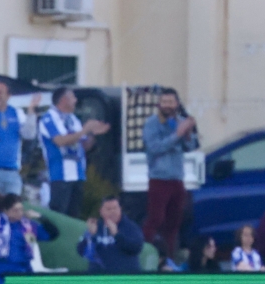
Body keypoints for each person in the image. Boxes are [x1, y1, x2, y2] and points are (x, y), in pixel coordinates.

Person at [141, 88, 199, 260]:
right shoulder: (152, 123)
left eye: (170, 102)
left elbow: (191, 147)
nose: (167, 106)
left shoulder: (179, 121)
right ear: (159, 104)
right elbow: (154, 148)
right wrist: (177, 134)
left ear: (177, 104)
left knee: (174, 222)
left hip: (177, 178)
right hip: (159, 178)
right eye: (164, 102)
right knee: (155, 219)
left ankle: (169, 258)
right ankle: (146, 255)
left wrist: (188, 133)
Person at [37, 87, 110, 217]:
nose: (76, 101)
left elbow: (83, 145)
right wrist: (84, 130)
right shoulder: (49, 118)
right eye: (73, 97)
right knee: (59, 216)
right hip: (59, 174)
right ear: (64, 100)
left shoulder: (73, 119)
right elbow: (60, 141)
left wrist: (92, 133)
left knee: (74, 216)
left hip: (77, 174)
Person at [0, 190, 60, 284]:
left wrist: (41, 217)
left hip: (23, 271)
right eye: (15, 210)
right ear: (6, 211)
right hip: (0, 271)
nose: (20, 213)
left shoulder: (29, 226)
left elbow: (54, 234)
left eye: (21, 210)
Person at [77, 196, 142, 273]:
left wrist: (117, 235)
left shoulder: (130, 227)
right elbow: (82, 252)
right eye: (108, 209)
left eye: (115, 208)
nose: (112, 212)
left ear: (120, 209)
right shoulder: (96, 227)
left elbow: (136, 248)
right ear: (101, 211)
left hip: (124, 276)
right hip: (99, 278)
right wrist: (91, 235)